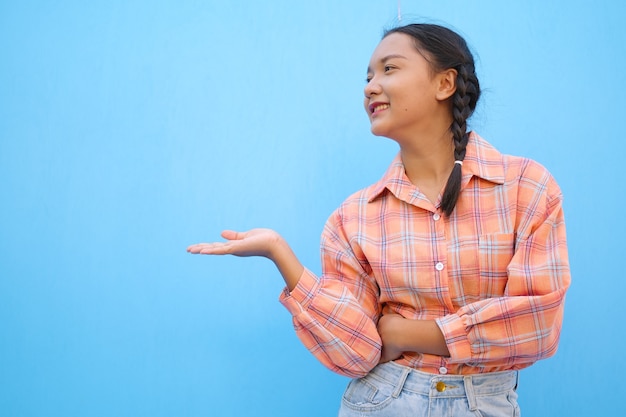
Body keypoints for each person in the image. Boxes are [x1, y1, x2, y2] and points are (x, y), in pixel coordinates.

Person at [187, 23, 570, 417]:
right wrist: (280, 255)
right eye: (368, 76)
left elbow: (538, 326)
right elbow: (358, 353)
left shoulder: (527, 187)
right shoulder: (353, 218)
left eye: (389, 69)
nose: (370, 86)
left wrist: (406, 332)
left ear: (445, 83)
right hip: (382, 402)